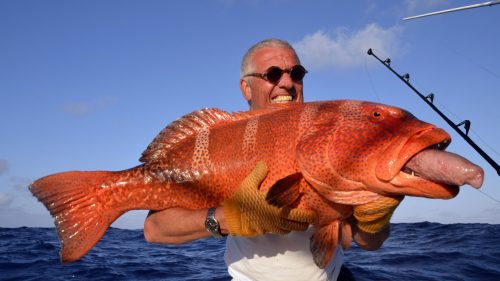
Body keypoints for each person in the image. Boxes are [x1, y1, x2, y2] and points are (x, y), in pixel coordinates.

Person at [144, 39, 402, 281]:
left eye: (296, 73)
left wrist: (375, 215)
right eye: (273, 74)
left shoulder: (330, 139)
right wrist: (227, 217)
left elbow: (372, 242)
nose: (287, 83)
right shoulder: (220, 145)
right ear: (246, 87)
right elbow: (154, 229)